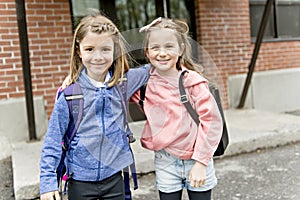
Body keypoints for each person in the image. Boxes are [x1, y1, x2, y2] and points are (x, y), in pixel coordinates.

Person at [39, 11, 150, 200]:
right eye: (89, 49)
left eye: (105, 49)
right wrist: (47, 182)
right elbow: (52, 141)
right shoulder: (70, 95)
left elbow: (156, 66)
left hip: (115, 178)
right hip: (80, 182)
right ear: (78, 51)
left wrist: (160, 32)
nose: (98, 57)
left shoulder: (123, 83)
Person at [131, 17, 223, 200]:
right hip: (165, 159)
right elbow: (111, 85)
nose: (162, 53)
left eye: (169, 46)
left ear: (180, 49)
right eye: (155, 47)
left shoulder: (193, 82)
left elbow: (211, 122)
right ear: (147, 52)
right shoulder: (144, 83)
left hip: (196, 157)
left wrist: (201, 163)